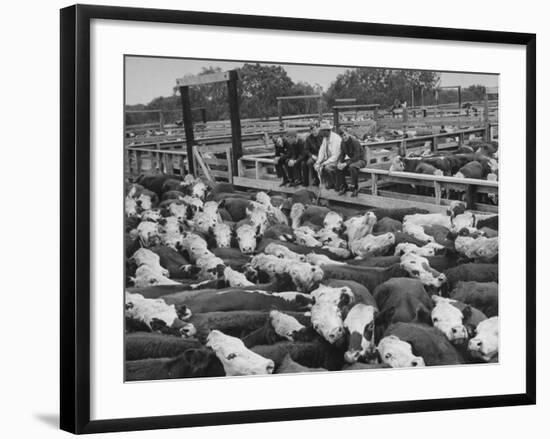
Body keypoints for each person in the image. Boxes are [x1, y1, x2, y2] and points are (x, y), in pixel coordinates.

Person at [335, 127, 366, 197]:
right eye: (342, 136)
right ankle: (344, 186)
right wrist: (340, 162)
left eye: (345, 135)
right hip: (353, 160)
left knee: (352, 166)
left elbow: (357, 156)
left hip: (361, 160)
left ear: (348, 133)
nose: (344, 137)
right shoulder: (342, 143)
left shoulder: (355, 142)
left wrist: (345, 163)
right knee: (338, 167)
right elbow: (342, 154)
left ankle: (355, 187)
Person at [314, 120, 341, 190]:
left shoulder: (336, 139)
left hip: (338, 159)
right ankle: (323, 183)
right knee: (316, 165)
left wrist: (324, 163)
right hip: (329, 159)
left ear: (327, 130)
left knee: (327, 168)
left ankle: (335, 185)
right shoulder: (325, 138)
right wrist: (318, 161)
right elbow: (321, 151)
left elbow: (335, 156)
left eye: (322, 131)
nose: (321, 133)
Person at [299, 122, 323, 186]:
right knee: (309, 162)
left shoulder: (322, 136)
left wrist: (321, 156)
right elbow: (306, 150)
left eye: (315, 130)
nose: (314, 132)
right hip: (314, 155)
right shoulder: (309, 138)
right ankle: (316, 179)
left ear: (318, 129)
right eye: (312, 131)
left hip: (322, 155)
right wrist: (312, 155)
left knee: (320, 163)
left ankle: (321, 179)